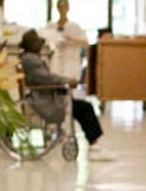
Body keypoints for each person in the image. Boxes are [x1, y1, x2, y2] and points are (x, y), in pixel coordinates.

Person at [19, 29, 115, 162]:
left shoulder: (30, 58)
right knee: (85, 108)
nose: (41, 46)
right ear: (31, 45)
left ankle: (94, 144)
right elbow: (46, 78)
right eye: (38, 44)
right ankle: (94, 146)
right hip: (46, 100)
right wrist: (66, 81)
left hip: (49, 96)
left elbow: (45, 77)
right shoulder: (31, 59)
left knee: (81, 108)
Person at [45, 0, 89, 82]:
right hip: (56, 61)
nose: (62, 9)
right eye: (60, 7)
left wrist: (71, 39)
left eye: (64, 6)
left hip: (71, 61)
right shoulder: (51, 26)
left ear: (68, 8)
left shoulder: (74, 26)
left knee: (70, 84)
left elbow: (86, 43)